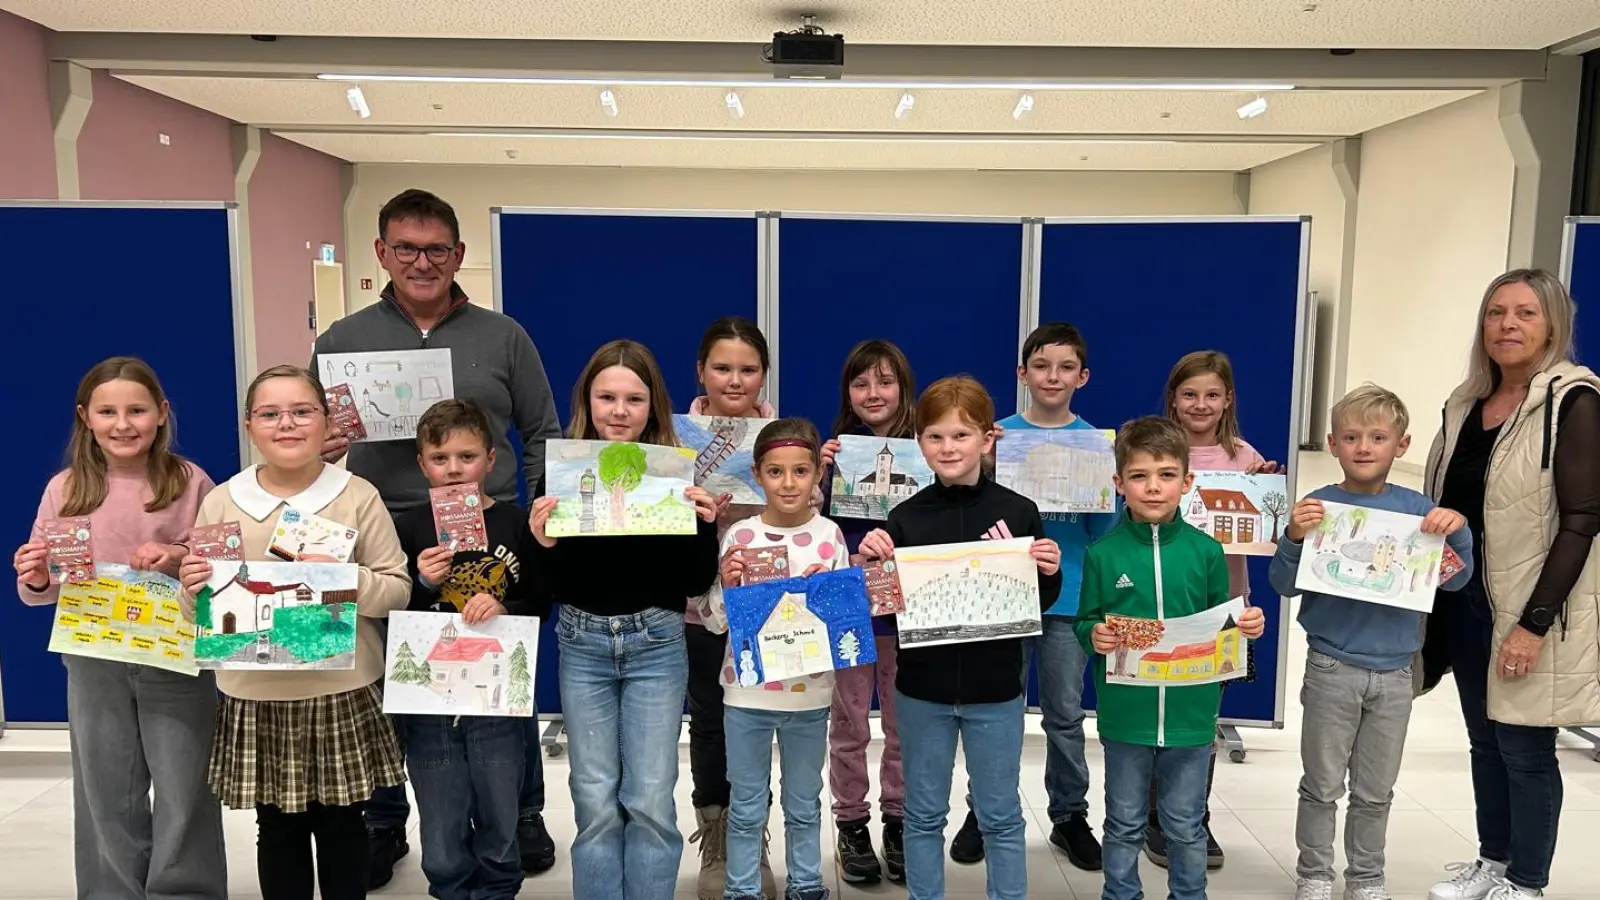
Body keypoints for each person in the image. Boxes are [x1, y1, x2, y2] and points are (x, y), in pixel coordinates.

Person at [311, 188, 562, 884]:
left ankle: (522, 811)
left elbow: (541, 427)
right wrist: (322, 445)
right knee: (396, 683)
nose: (422, 262)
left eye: (436, 249)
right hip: (383, 530)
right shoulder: (340, 341)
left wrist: (535, 514)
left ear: (458, 255)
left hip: (492, 529)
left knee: (499, 675)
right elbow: (307, 434)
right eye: (407, 248)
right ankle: (386, 820)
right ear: (382, 253)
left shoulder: (503, 334)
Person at [178, 365, 412, 900]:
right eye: (270, 413)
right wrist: (193, 587)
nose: (287, 423)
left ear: (326, 422)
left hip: (339, 689)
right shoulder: (223, 501)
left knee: (343, 826)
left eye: (302, 411)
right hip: (255, 692)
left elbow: (397, 589)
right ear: (249, 425)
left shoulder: (357, 496)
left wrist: (339, 579)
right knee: (277, 828)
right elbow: (205, 608)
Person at [13, 357, 226, 900]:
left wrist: (177, 557)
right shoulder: (64, 490)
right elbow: (41, 587)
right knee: (105, 791)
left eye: (137, 410)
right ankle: (111, 891)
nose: (122, 423)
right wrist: (36, 576)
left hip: (177, 659)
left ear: (162, 413)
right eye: (107, 411)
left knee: (185, 788)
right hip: (92, 662)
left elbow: (219, 566)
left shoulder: (191, 481)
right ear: (86, 417)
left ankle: (185, 891)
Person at [1421, 269, 1600, 900]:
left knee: (1525, 751)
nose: (1508, 326)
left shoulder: (1573, 402)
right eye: (1497, 313)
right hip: (1467, 604)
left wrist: (1533, 623)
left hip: (1530, 610)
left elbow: (1582, 519)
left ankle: (1528, 881)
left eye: (1525, 313)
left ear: (1552, 325)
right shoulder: (1466, 403)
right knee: (1485, 742)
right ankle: (1493, 861)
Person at [527, 340, 723, 900]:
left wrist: (703, 526)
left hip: (656, 643)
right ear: (586, 402)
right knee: (592, 794)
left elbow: (690, 584)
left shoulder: (670, 479)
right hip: (583, 642)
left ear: (653, 405)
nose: (619, 410)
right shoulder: (563, 476)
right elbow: (547, 587)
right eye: (606, 397)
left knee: (651, 794)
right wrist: (541, 543)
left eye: (634, 399)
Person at [857, 376, 1063, 900]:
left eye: (961, 436)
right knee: (923, 813)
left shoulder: (1017, 512)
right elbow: (884, 610)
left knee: (1000, 814)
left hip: (995, 692)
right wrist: (872, 565)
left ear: (987, 439)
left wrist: (1048, 570)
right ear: (920, 442)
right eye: (935, 437)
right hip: (921, 691)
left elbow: (1036, 605)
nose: (948, 448)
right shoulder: (903, 518)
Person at [1268, 384, 1473, 900]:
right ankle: (1314, 874)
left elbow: (1454, 580)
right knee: (1321, 784)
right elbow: (1283, 585)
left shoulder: (1420, 509)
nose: (1364, 447)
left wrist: (1459, 532)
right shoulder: (1316, 506)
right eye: (1352, 437)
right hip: (1331, 666)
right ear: (1333, 444)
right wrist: (1292, 538)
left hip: (1396, 673)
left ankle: (1366, 878)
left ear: (1400, 447)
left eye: (1377, 437)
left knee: (1375, 791)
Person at [1076, 416, 1266, 900]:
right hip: (1126, 719)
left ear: (1187, 482)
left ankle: (1189, 894)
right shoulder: (1104, 554)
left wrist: (1245, 627)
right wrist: (1092, 634)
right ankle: (1120, 894)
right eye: (1139, 476)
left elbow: (1222, 624)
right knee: (1122, 822)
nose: (1153, 488)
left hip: (1192, 717)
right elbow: (1086, 620)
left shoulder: (1206, 552)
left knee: (1184, 824)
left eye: (1165, 475)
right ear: (1119, 485)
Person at [963, 322, 1109, 872]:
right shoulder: (993, 436)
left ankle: (1070, 815)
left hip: (1068, 598)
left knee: (1066, 715)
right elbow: (965, 509)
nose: (1053, 376)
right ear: (1022, 373)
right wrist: (986, 465)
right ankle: (984, 811)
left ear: (1083, 376)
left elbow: (1101, 532)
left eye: (1066, 367)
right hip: (1002, 593)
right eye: (1041, 366)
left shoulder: (1096, 443)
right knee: (994, 711)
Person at [391, 399, 550, 900]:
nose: (454, 469)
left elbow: (542, 603)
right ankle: (450, 885)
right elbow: (391, 607)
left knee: (501, 799)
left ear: (491, 459)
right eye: (440, 459)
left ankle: (501, 884)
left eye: (467, 456)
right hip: (429, 696)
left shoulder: (515, 524)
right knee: (439, 809)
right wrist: (420, 580)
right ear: (422, 464)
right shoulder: (409, 525)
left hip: (497, 695)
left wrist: (506, 608)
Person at [1148, 349, 1280, 869]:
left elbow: (1260, 533)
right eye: (1189, 394)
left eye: (1211, 395)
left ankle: (1191, 819)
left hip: (1222, 609)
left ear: (1228, 401)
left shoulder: (1247, 460)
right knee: (1154, 713)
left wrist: (1268, 489)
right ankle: (1153, 818)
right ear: (1173, 401)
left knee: (1201, 722)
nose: (1200, 404)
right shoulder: (1155, 451)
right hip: (1160, 604)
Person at [706, 418, 847, 900]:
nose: (789, 483)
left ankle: (806, 884)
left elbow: (845, 623)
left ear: (816, 476)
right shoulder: (740, 537)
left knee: (804, 803)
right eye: (776, 471)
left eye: (801, 471)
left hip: (809, 696)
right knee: (746, 804)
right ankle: (742, 889)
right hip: (745, 694)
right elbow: (716, 620)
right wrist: (727, 582)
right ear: (757, 474)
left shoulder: (830, 537)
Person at [682, 316, 780, 900]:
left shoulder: (783, 434)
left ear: (763, 374)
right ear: (701, 371)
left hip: (763, 604)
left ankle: (752, 839)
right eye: (722, 368)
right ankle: (715, 840)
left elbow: (807, 508)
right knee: (711, 722)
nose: (735, 380)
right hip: (696, 605)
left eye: (748, 369)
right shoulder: (675, 435)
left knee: (758, 723)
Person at [819, 340, 916, 884]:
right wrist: (820, 477)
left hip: (909, 609)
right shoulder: (837, 456)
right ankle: (851, 823)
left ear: (903, 386)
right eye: (861, 384)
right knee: (849, 721)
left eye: (884, 381)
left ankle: (899, 820)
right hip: (853, 604)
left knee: (905, 726)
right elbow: (812, 529)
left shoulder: (930, 451)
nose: (873, 393)